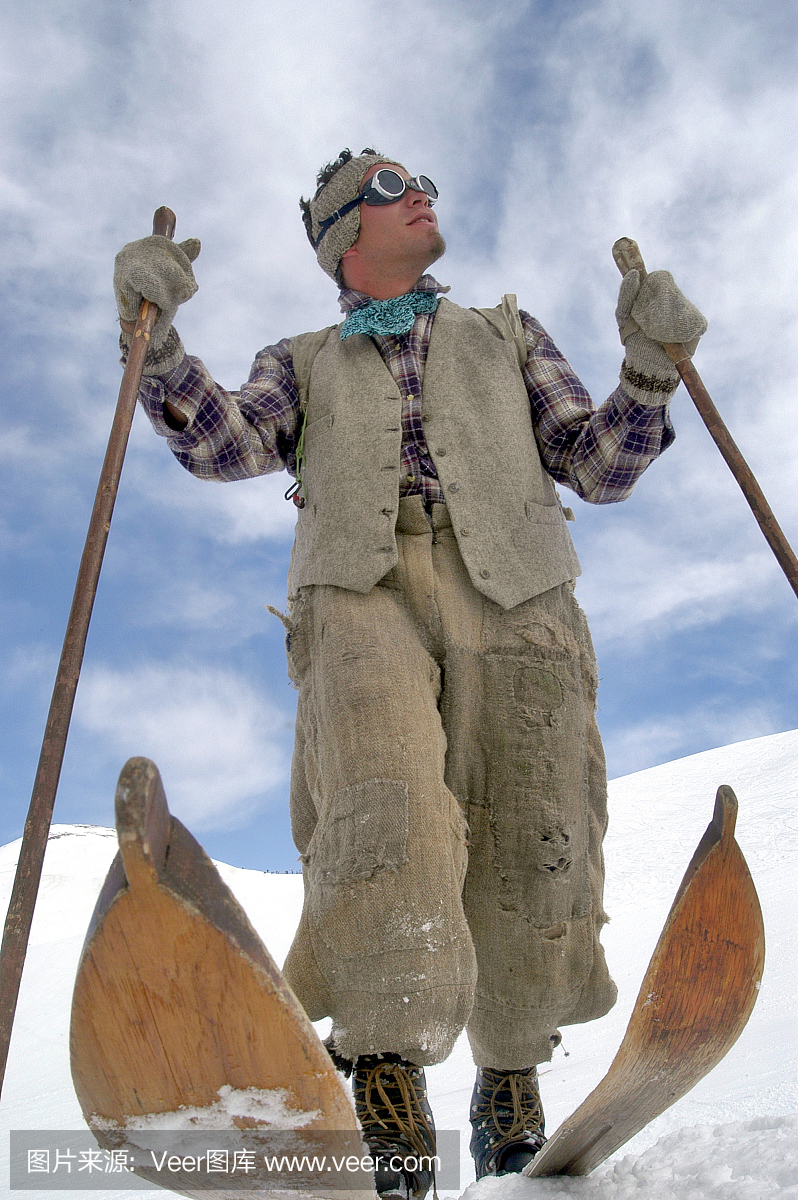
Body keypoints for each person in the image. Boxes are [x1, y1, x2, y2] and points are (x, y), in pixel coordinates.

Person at [113, 148, 706, 1198]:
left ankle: (510, 1073)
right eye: (388, 187)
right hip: (358, 585)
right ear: (345, 235)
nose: (418, 191)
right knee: (385, 807)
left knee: (536, 826)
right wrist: (157, 348)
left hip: (518, 589)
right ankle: (385, 1070)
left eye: (419, 177)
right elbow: (227, 444)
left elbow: (598, 463)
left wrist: (650, 369)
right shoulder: (300, 357)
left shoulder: (506, 332)